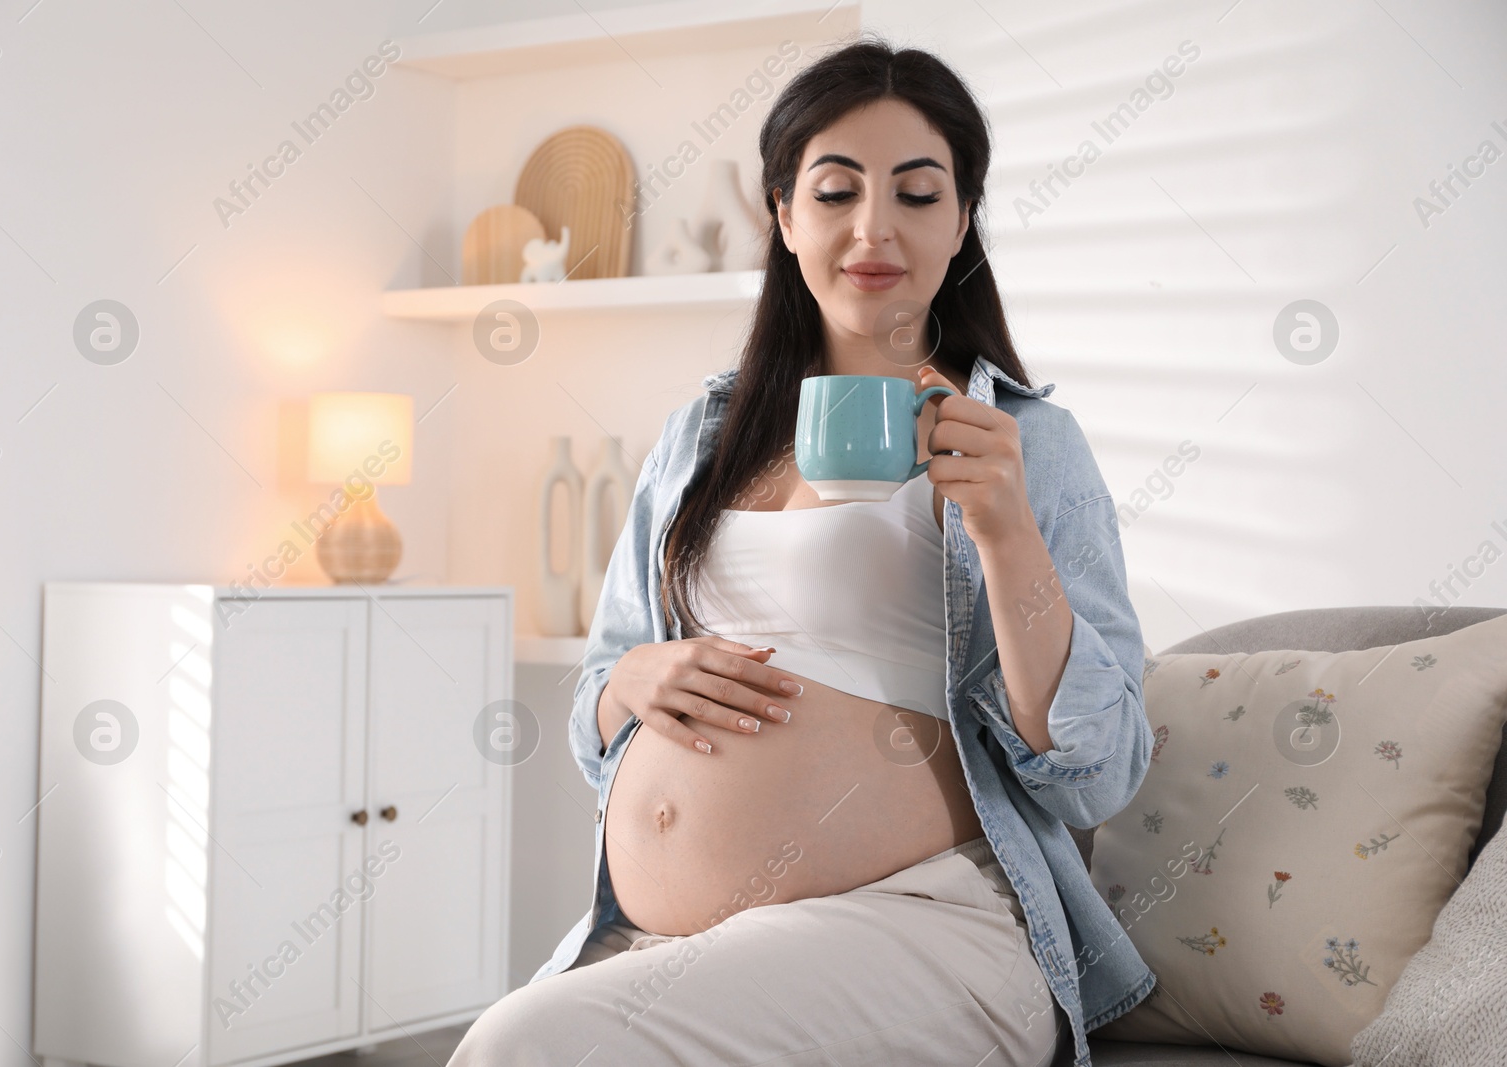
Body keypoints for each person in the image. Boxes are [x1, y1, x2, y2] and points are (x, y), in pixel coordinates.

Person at [449, 33, 1155, 1067]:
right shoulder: (703, 439)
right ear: (783, 215)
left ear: (962, 221)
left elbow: (1098, 772)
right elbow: (597, 701)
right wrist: (632, 680)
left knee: (523, 1042)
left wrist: (1007, 535)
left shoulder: (1026, 445)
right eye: (835, 192)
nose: (874, 227)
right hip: (696, 937)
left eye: (918, 194)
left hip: (927, 922)